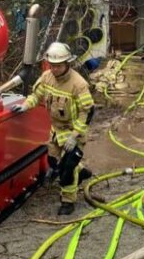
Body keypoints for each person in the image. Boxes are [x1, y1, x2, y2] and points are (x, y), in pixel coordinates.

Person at [13, 42, 94, 215]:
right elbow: (36, 96)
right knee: (54, 163)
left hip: (74, 132)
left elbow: (87, 112)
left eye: (58, 66)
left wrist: (74, 136)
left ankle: (68, 201)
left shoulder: (78, 84)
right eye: (52, 66)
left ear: (67, 64)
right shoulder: (46, 77)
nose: (55, 69)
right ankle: (82, 171)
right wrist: (25, 106)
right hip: (56, 130)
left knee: (66, 171)